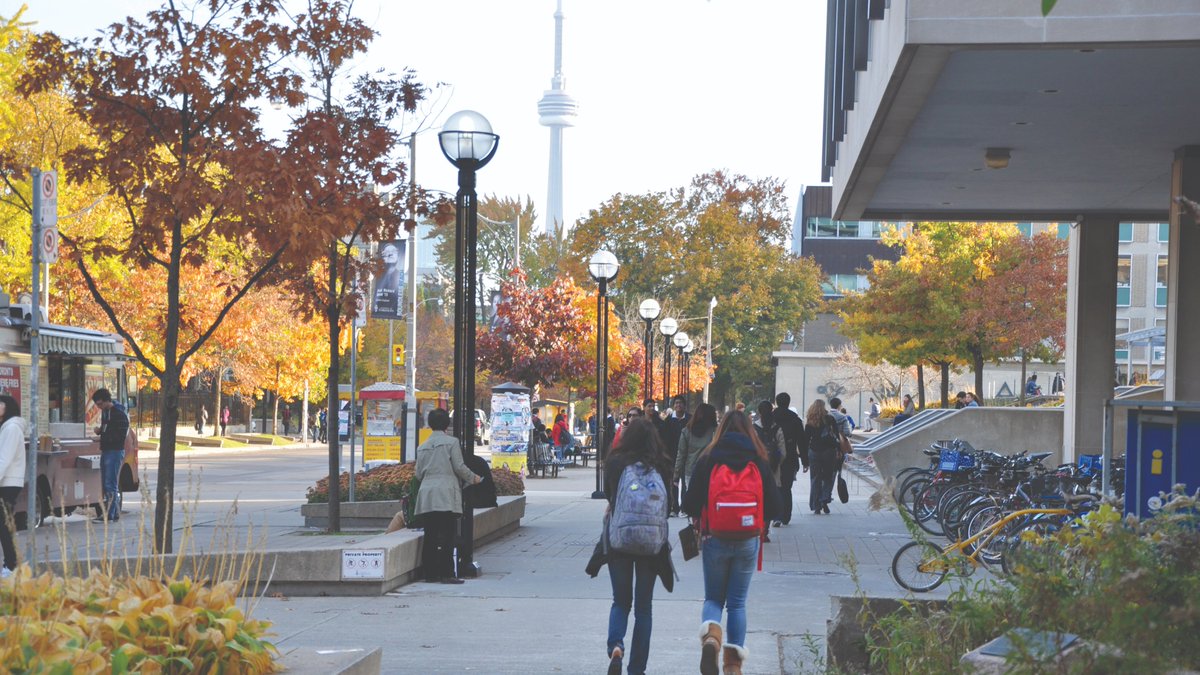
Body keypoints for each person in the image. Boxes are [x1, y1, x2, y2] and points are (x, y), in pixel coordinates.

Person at [682, 410, 781, 675]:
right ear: (750, 429)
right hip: (748, 539)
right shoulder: (758, 460)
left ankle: (712, 636)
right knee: (737, 603)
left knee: (714, 598)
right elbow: (775, 506)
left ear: (720, 429)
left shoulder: (709, 458)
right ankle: (733, 665)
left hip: (715, 537)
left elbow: (688, 503)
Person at [601, 417, 675, 675]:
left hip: (620, 539)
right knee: (644, 608)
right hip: (651, 543)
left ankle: (616, 647)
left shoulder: (615, 461)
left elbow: (610, 495)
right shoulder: (662, 464)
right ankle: (637, 669)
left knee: (620, 602)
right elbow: (670, 506)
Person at [414, 408, 482, 584]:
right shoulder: (452, 443)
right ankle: (447, 573)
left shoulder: (422, 447)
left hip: (427, 494)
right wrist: (473, 478)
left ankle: (430, 574)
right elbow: (459, 467)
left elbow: (418, 474)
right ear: (446, 424)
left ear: (430, 425)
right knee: (447, 535)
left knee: (430, 535)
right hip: (446, 493)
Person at [92, 388, 129, 522]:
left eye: (101, 404)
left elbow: (119, 435)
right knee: (107, 483)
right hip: (107, 450)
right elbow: (107, 429)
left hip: (114, 451)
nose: (99, 407)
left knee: (110, 483)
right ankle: (114, 512)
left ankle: (110, 514)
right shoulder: (106, 413)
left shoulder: (118, 414)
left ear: (108, 400)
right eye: (97, 405)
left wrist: (104, 436)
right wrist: (100, 431)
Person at [0, 394, 26, 578]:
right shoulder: (7, 427)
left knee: (5, 525)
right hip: (7, 481)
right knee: (4, 525)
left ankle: (11, 566)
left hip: (8, 482)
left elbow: (4, 459)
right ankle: (10, 565)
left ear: (7, 407)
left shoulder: (11, 428)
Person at [675, 403, 716, 514]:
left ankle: (696, 525)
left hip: (691, 470)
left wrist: (676, 475)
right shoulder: (715, 432)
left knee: (695, 500)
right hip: (711, 470)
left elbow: (681, 455)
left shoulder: (686, 431)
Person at [772, 392, 807, 526]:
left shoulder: (771, 417)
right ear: (788, 402)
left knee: (775, 486)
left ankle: (777, 516)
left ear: (776, 402)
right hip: (790, 458)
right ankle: (786, 515)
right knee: (786, 487)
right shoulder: (795, 419)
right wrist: (805, 461)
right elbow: (802, 442)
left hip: (773, 457)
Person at [753, 400, 786, 539]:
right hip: (773, 470)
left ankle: (757, 527)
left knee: (758, 500)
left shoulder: (753, 428)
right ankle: (765, 531)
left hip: (756, 470)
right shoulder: (777, 427)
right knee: (769, 499)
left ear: (759, 412)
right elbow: (783, 451)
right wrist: (777, 463)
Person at [805, 400, 842, 516]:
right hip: (829, 451)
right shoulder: (830, 419)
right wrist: (839, 450)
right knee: (828, 477)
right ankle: (824, 499)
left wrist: (804, 458)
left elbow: (806, 440)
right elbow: (836, 435)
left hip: (814, 451)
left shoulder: (810, 422)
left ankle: (816, 505)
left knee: (815, 478)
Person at [661, 397, 689, 516]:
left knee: (685, 482)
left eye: (680, 403)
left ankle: (684, 507)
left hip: (686, 455)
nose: (678, 405)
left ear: (684, 405)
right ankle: (674, 507)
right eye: (676, 403)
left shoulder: (689, 419)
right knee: (674, 481)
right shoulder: (668, 421)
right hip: (672, 455)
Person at [372, 242, 403, 318]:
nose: (390, 254)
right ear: (382, 257)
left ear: (398, 256)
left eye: (393, 251)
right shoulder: (376, 277)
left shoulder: (400, 276)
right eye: (387, 252)